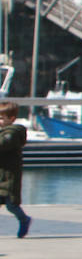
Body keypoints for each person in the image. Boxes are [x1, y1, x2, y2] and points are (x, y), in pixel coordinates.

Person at [0, 102, 31, 239]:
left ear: (11, 119)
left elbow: (3, 144)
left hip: (10, 177)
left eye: (1, 118)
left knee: (11, 205)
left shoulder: (12, 133)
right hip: (1, 176)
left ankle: (24, 219)